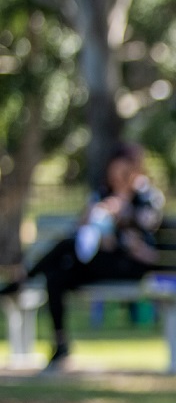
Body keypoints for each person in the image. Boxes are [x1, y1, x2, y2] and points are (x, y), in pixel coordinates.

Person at [0, 142, 165, 370]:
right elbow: (83, 230)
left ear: (135, 170)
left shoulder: (146, 197)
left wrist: (121, 217)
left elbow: (148, 231)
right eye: (114, 172)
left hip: (128, 264)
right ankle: (61, 344)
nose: (118, 177)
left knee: (66, 246)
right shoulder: (102, 194)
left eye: (124, 172)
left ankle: (23, 276)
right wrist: (94, 215)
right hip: (98, 262)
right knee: (55, 276)